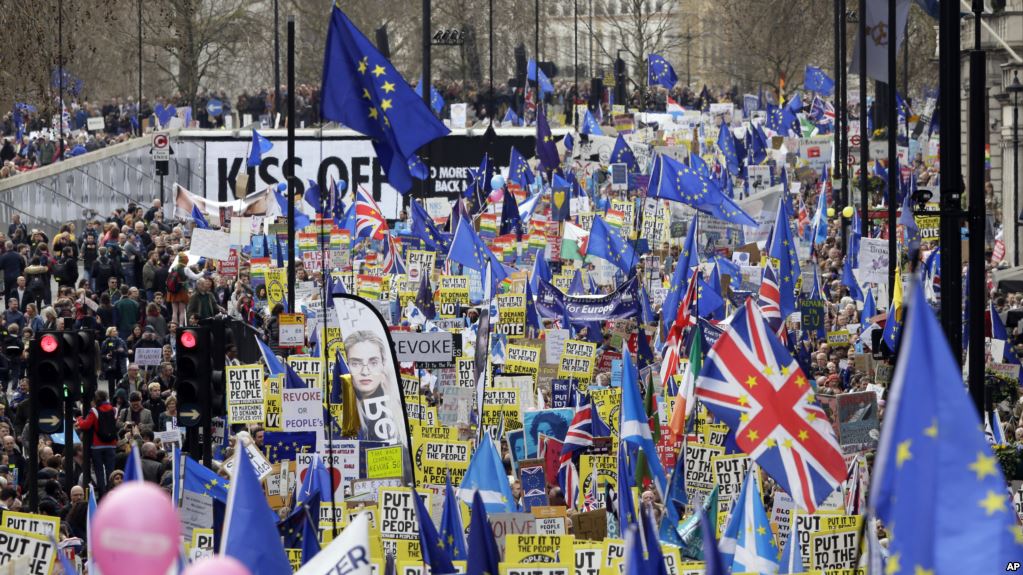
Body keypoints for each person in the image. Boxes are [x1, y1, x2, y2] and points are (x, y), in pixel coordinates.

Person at [344, 330, 406, 447]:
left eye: (373, 362)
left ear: (383, 363)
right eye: (356, 364)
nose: (365, 372)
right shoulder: (339, 412)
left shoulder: (400, 409)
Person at [74, 389, 118, 496]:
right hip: (111, 444)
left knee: (99, 471)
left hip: (97, 445)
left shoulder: (94, 411)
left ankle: (103, 494)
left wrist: (79, 419)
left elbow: (86, 425)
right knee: (110, 471)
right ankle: (111, 492)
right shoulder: (114, 410)